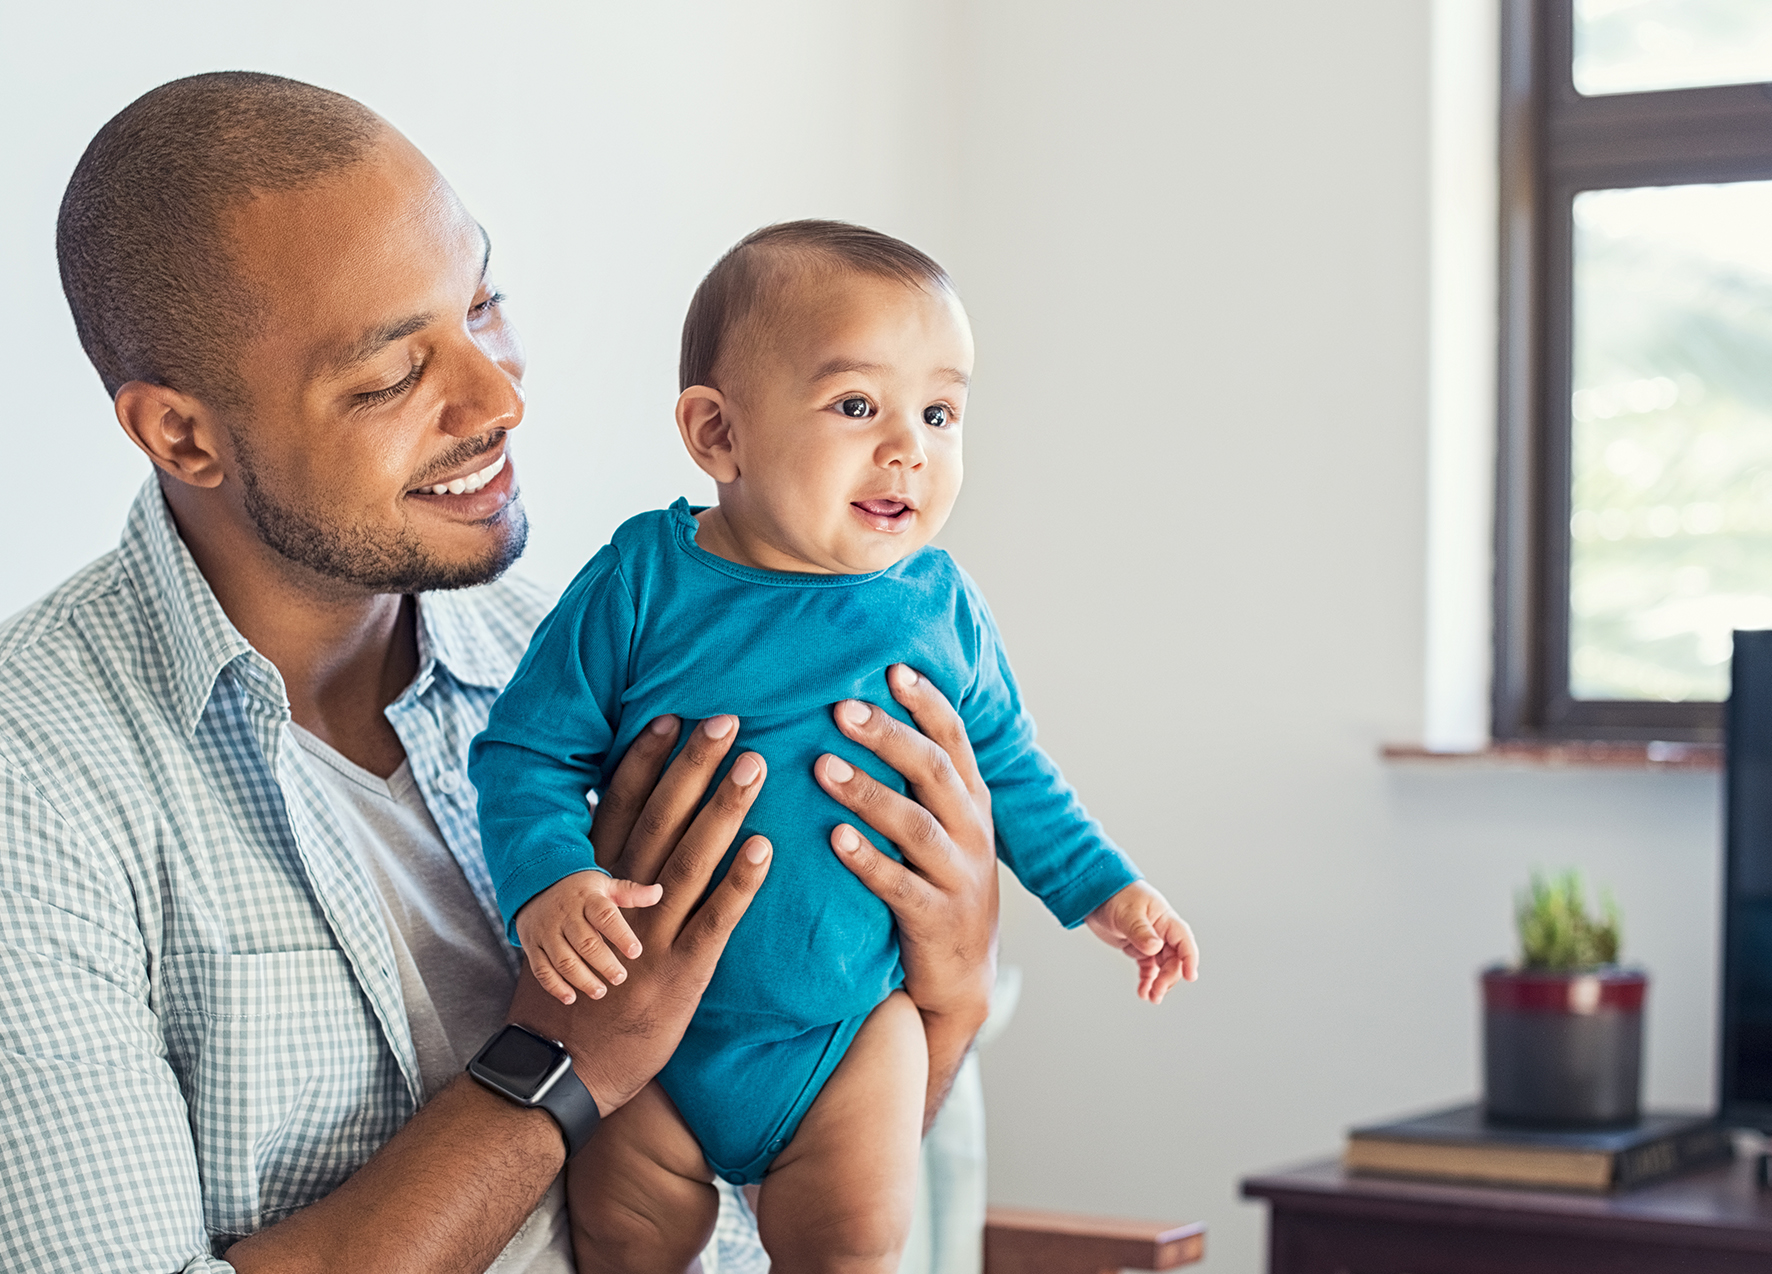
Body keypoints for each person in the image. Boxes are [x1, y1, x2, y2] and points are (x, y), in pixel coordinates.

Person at [0, 73, 999, 1273]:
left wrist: (945, 996)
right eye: (387, 376)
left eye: (482, 304)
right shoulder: (39, 780)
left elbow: (772, 1172)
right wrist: (558, 1061)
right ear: (182, 435)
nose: (499, 396)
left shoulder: (592, 664)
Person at [469, 221, 1201, 1272]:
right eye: (857, 405)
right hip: (650, 1042)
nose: (908, 445)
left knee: (853, 1243)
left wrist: (1108, 891)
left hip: (847, 1038)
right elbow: (526, 753)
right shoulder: (642, 578)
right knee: (628, 1239)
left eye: (939, 411)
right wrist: (550, 882)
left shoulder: (937, 603)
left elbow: (1010, 769)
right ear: (716, 433)